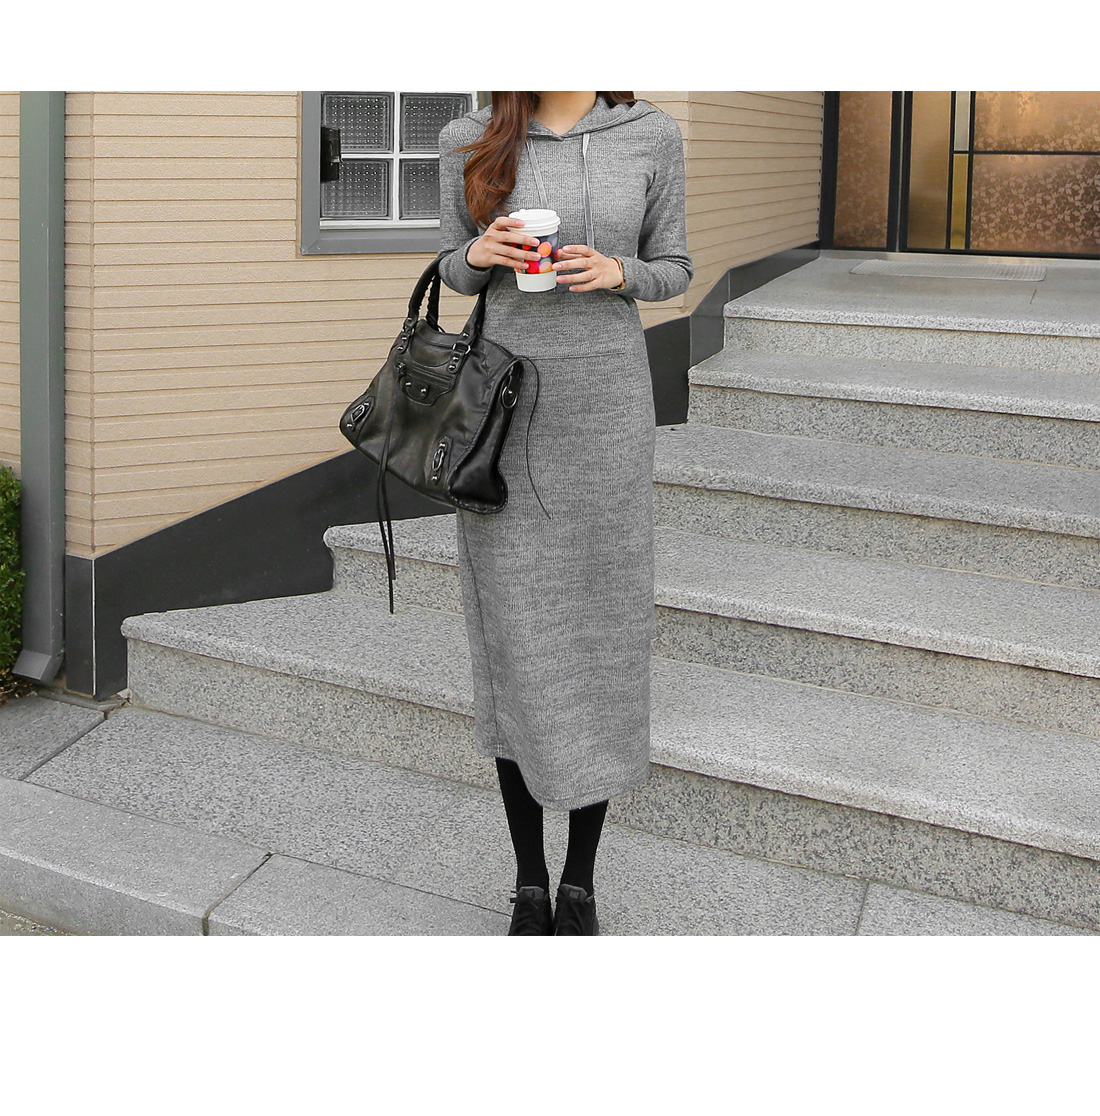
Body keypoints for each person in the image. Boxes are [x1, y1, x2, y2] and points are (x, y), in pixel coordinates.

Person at [435, 92, 693, 935]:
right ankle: (528, 879)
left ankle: (580, 881)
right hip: (504, 413)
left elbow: (676, 266)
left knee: (598, 638)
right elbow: (450, 269)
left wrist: (623, 274)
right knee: (517, 641)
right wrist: (478, 252)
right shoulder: (470, 136)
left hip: (607, 411)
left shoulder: (650, 133)